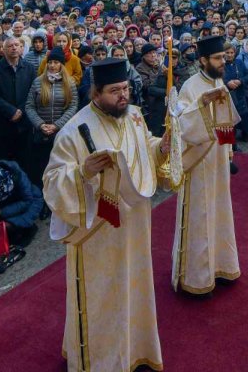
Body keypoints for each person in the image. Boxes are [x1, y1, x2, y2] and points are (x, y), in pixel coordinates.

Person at [42, 58, 171, 372]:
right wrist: (83, 172)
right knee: (103, 295)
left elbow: (146, 148)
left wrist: (162, 147)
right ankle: (101, 361)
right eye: (115, 91)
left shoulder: (135, 116)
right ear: (95, 93)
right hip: (98, 234)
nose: (123, 95)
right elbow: (52, 182)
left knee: (135, 287)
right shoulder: (74, 131)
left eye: (125, 88)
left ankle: (134, 350)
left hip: (135, 225)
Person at [171, 35, 241, 294]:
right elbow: (180, 124)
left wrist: (230, 149)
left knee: (220, 209)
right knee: (201, 216)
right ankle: (198, 278)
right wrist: (201, 104)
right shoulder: (190, 87)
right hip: (198, 162)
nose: (223, 61)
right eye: (218, 58)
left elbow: (225, 120)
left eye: (223, 57)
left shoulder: (218, 80)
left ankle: (223, 265)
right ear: (203, 60)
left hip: (219, 160)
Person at [23, 47, 79, 186]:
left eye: (56, 62)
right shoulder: (38, 81)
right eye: (50, 62)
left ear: (61, 64)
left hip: (61, 133)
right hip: (41, 134)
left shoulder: (70, 82)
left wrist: (57, 125)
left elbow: (73, 106)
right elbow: (29, 106)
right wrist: (41, 124)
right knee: (40, 170)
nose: (52, 65)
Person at [0, 36, 35, 162]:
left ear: (21, 48)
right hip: (2, 126)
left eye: (16, 45)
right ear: (4, 49)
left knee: (24, 163)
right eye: (10, 46)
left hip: (24, 124)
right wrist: (11, 111)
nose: (14, 48)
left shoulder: (29, 68)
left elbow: (33, 93)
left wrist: (21, 111)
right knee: (3, 164)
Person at [0, 159, 45, 246]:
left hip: (31, 202)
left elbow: (27, 201)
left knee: (7, 226)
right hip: (9, 201)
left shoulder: (18, 176)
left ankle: (28, 229)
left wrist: (2, 212)